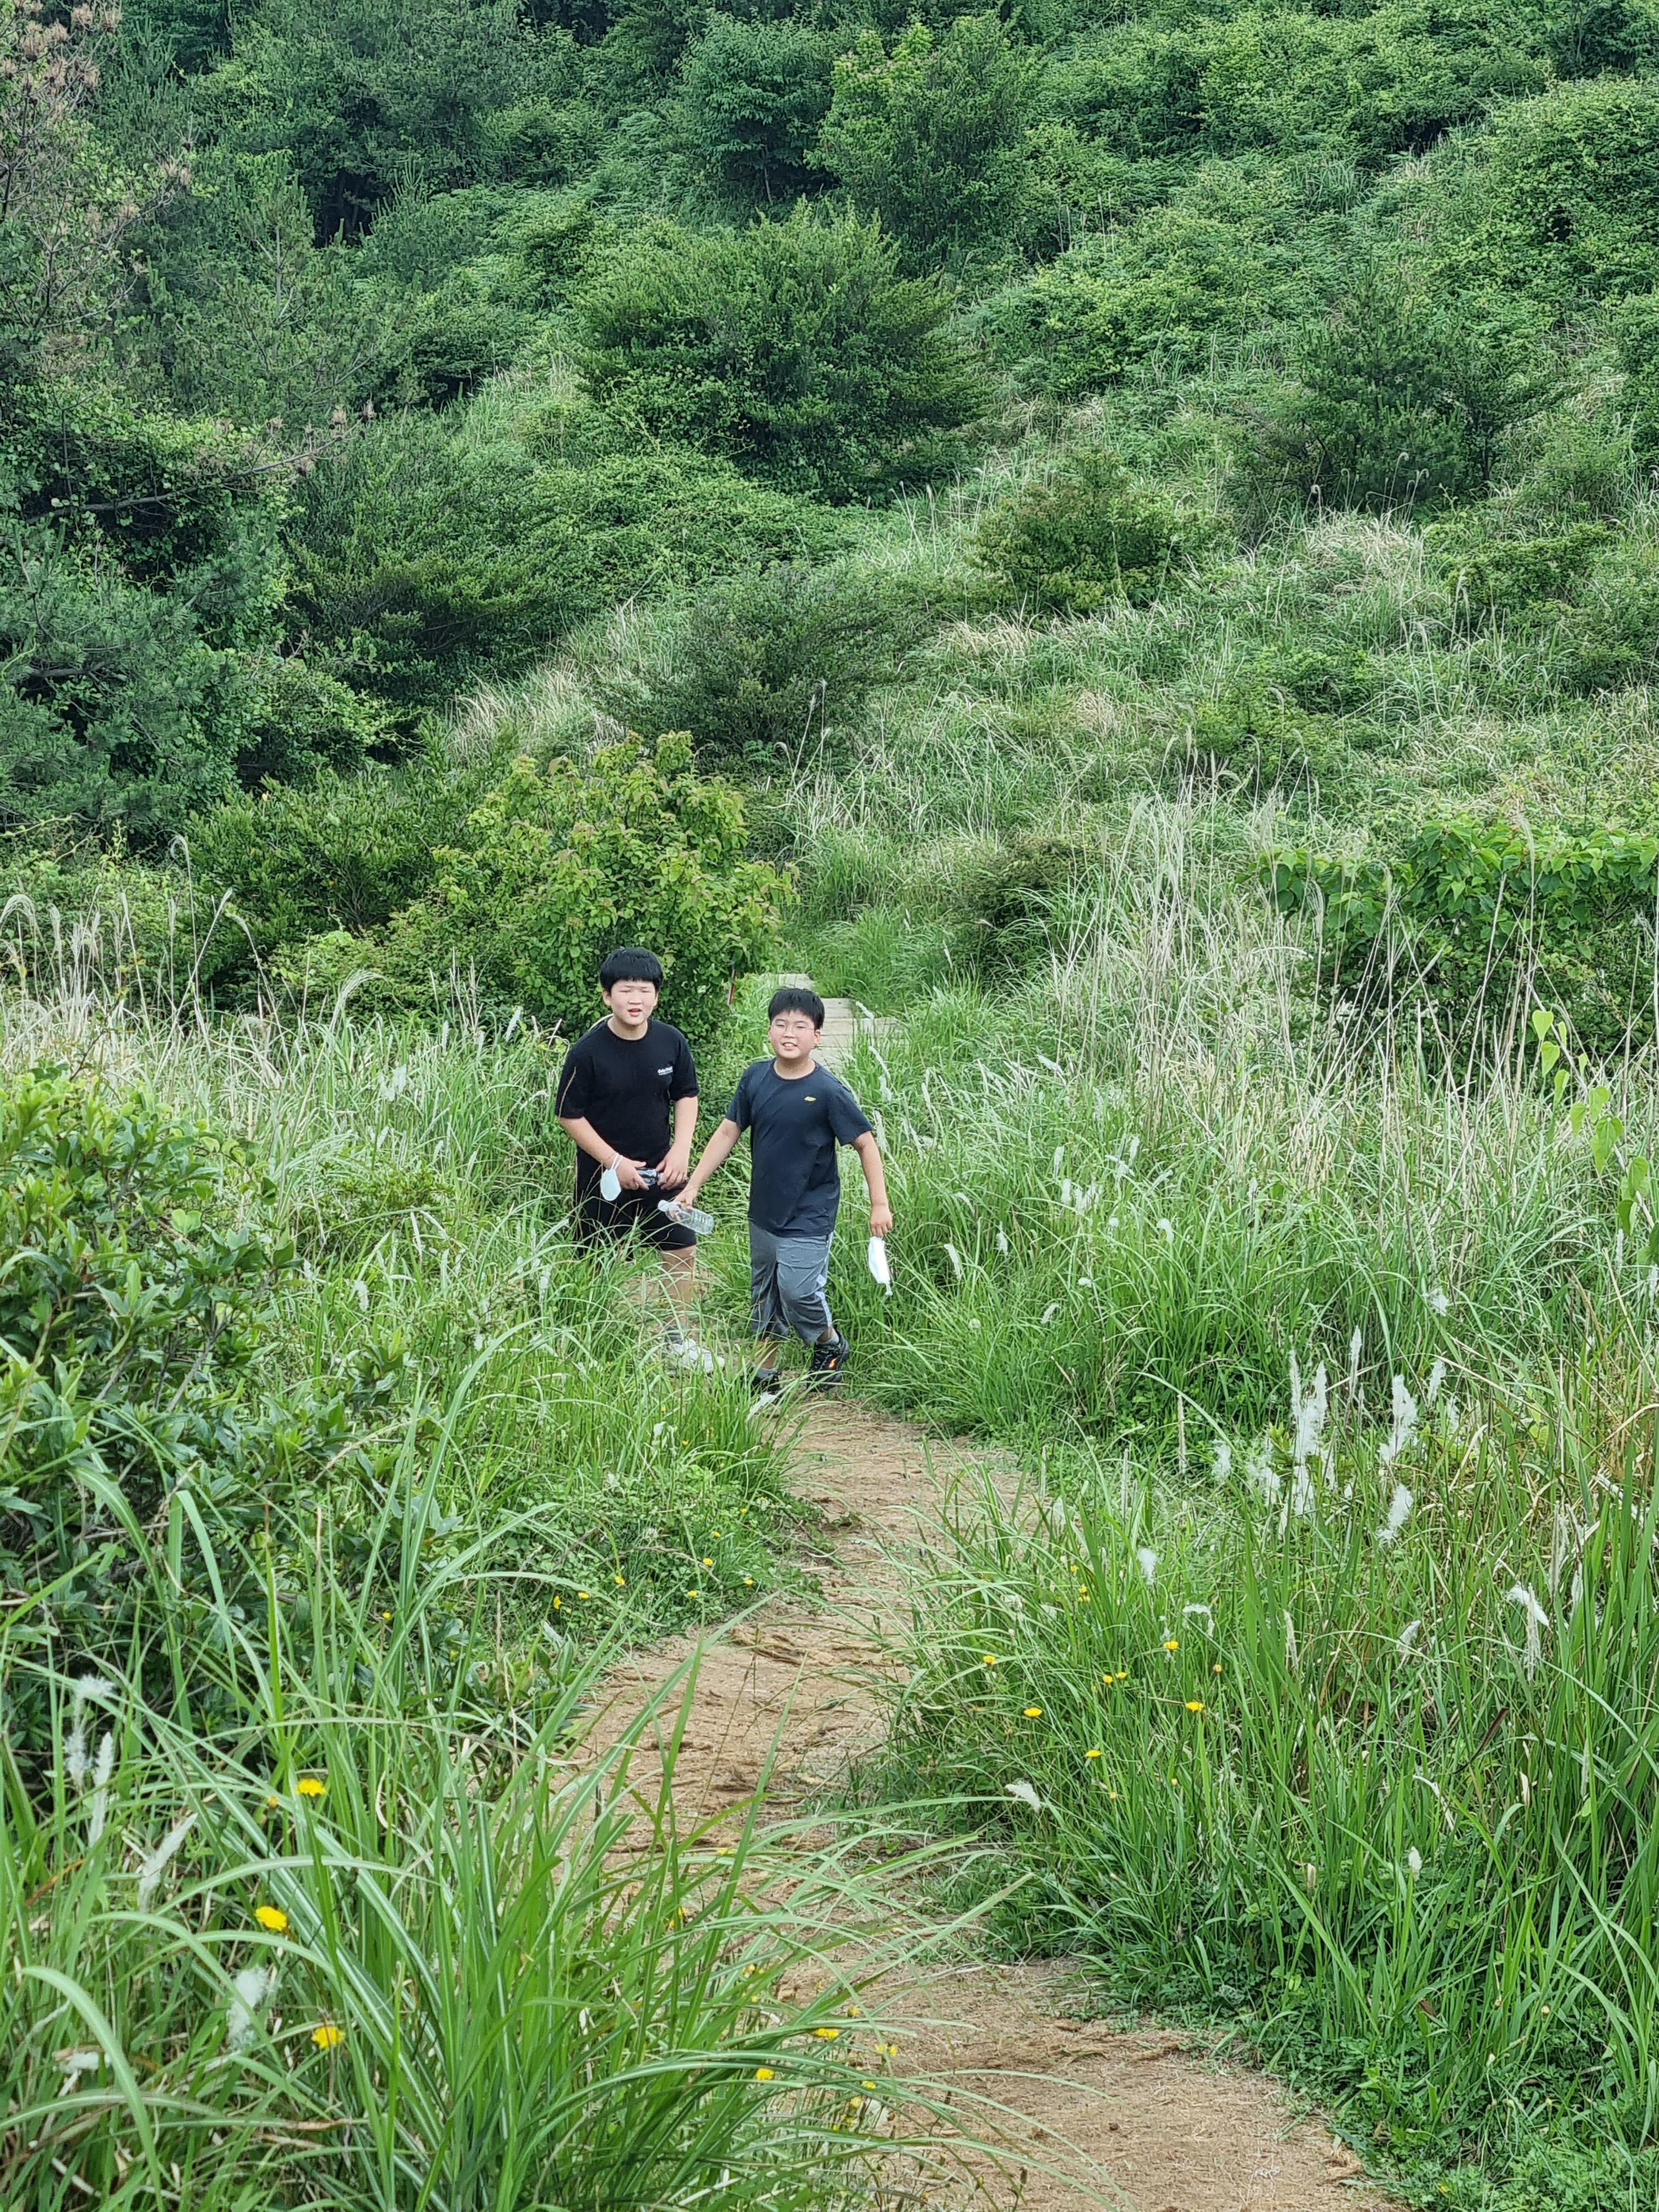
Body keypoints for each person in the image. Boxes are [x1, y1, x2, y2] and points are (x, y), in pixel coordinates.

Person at [678, 985, 892, 1392]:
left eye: (800, 1026)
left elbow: (866, 1144)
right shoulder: (755, 1078)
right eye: (780, 1024)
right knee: (765, 1296)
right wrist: (693, 1185)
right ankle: (765, 1375)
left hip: (811, 1213)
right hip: (764, 1211)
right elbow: (727, 1132)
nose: (789, 1033)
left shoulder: (828, 1092)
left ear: (818, 1036)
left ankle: (829, 1342)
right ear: (769, 1030)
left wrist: (878, 1204)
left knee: (798, 1291)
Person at [556, 946, 700, 1345]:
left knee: (682, 1251)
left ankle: (677, 1341)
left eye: (644, 990)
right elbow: (568, 1114)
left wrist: (682, 1149)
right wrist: (614, 1161)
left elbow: (686, 1094)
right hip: (603, 1177)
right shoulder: (587, 1052)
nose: (635, 1000)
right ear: (607, 996)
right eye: (625, 990)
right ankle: (599, 1341)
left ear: (656, 996)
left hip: (663, 1171)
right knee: (600, 1260)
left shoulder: (671, 1041)